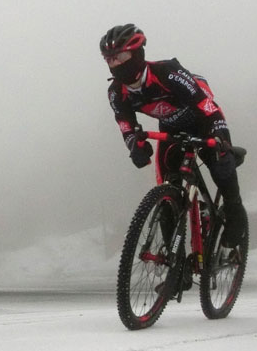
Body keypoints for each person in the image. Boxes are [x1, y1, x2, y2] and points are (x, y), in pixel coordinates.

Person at [101, 23, 247, 248]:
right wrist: (134, 145)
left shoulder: (167, 72)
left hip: (203, 121)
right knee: (167, 192)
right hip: (171, 131)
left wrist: (220, 137)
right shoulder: (116, 93)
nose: (115, 64)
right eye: (109, 59)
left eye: (120, 56)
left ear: (137, 54)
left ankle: (234, 211)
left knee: (222, 166)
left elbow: (207, 107)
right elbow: (125, 123)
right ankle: (173, 263)